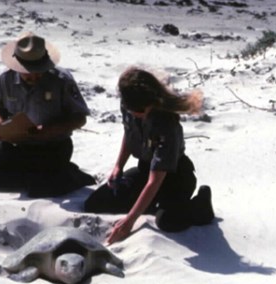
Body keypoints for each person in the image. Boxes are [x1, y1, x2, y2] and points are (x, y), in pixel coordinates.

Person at [84, 67, 215, 244]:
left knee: (168, 221)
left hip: (174, 177)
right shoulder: (129, 105)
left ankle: (200, 205)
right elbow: (130, 135)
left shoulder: (166, 124)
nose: (133, 113)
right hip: (145, 168)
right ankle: (151, 205)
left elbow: (156, 180)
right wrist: (118, 167)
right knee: (97, 203)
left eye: (138, 110)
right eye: (130, 109)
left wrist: (128, 223)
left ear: (150, 103)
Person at [0, 32, 95, 198]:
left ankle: (71, 174)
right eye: (28, 72)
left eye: (39, 71)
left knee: (40, 190)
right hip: (17, 145)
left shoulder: (61, 80)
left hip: (53, 146)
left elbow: (80, 118)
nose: (34, 76)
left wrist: (49, 130)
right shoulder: (5, 79)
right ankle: (40, 176)